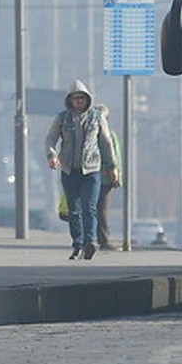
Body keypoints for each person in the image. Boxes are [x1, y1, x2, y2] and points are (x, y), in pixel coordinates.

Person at [45, 81, 117, 260]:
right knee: (74, 210)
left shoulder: (96, 117)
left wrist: (112, 166)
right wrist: (52, 155)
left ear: (88, 99)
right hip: (70, 170)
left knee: (90, 207)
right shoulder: (62, 118)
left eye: (82, 98)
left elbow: (106, 143)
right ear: (69, 100)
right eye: (75, 98)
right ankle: (77, 245)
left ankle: (89, 242)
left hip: (91, 170)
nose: (79, 101)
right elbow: (50, 139)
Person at [94, 104, 122, 250]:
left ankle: (97, 239)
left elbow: (116, 158)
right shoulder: (104, 135)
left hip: (106, 177)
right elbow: (112, 158)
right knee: (101, 210)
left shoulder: (109, 134)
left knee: (99, 209)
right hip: (102, 176)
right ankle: (103, 241)